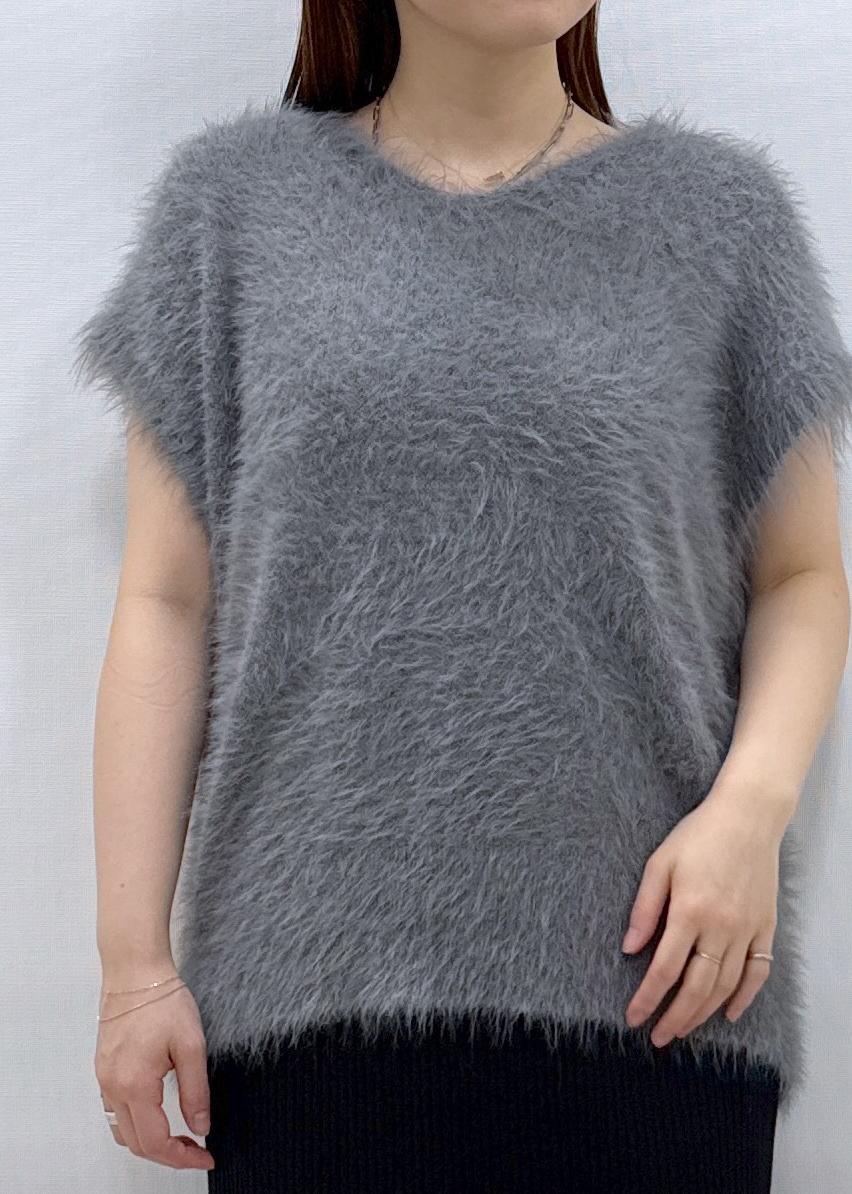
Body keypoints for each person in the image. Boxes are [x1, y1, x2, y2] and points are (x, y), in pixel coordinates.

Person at [73, 2, 852, 1191]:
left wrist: (751, 811)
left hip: (658, 995)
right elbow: (167, 602)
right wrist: (134, 968)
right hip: (308, 1010)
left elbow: (801, 574)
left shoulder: (721, 222)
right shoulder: (231, 212)